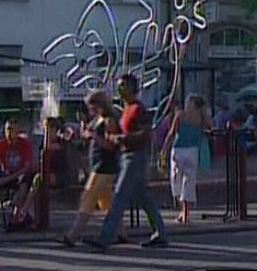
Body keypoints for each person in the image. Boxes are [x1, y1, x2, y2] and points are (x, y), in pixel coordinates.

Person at [84, 74, 167, 250]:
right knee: (143, 198)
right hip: (127, 156)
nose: (119, 89)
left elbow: (146, 133)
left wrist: (123, 138)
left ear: (131, 88)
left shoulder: (138, 109)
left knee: (120, 196)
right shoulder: (126, 108)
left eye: (122, 86)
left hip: (135, 157)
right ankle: (160, 233)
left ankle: (104, 238)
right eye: (118, 86)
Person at [59, 89, 126, 247]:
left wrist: (94, 136)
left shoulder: (109, 121)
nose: (90, 110)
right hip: (97, 164)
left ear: (100, 105)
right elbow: (85, 135)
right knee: (106, 201)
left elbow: (111, 145)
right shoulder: (97, 120)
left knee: (88, 198)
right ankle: (122, 232)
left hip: (105, 166)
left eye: (92, 107)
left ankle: (72, 235)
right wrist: (76, 132)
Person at [162, 95, 212, 225]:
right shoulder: (201, 117)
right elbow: (210, 127)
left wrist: (164, 148)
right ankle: (186, 213)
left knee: (176, 180)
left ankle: (181, 210)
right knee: (189, 182)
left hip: (178, 150)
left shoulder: (180, 115)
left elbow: (172, 133)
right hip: (193, 151)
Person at [17, 117, 70, 227]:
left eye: (51, 129)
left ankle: (24, 209)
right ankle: (18, 211)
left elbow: (47, 150)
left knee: (39, 179)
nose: (48, 132)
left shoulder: (61, 143)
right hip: (45, 174)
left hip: (60, 175)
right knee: (28, 178)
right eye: (46, 129)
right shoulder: (43, 142)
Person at [0, 119, 36, 229]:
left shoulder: (25, 144)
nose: (9, 133)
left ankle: (16, 215)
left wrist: (7, 179)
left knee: (26, 179)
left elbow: (26, 168)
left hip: (20, 175)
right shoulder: (0, 144)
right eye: (7, 129)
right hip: (7, 174)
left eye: (12, 129)